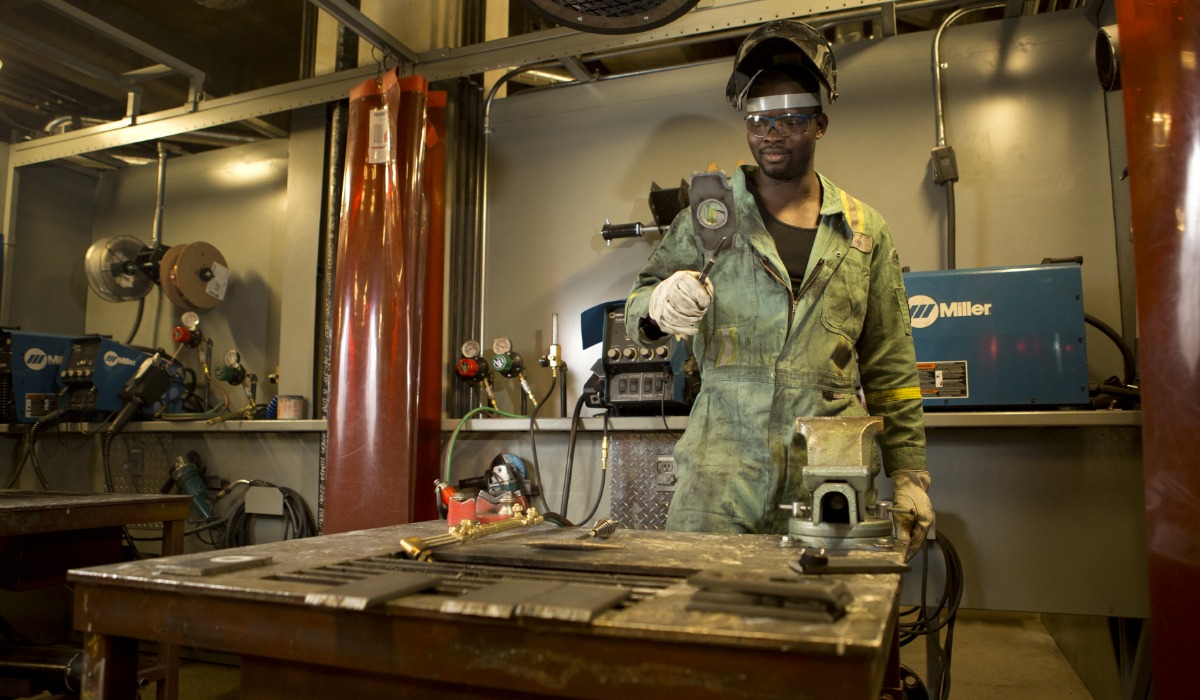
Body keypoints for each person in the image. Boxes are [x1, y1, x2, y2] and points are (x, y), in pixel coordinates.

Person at [624, 19, 933, 560]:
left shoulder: (863, 232)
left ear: (820, 124)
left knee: (826, 629)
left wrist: (910, 474)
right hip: (719, 476)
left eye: (790, 119)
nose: (771, 133)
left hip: (828, 477)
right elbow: (638, 306)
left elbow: (890, 365)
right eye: (759, 119)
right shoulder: (707, 217)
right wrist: (656, 302)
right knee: (704, 620)